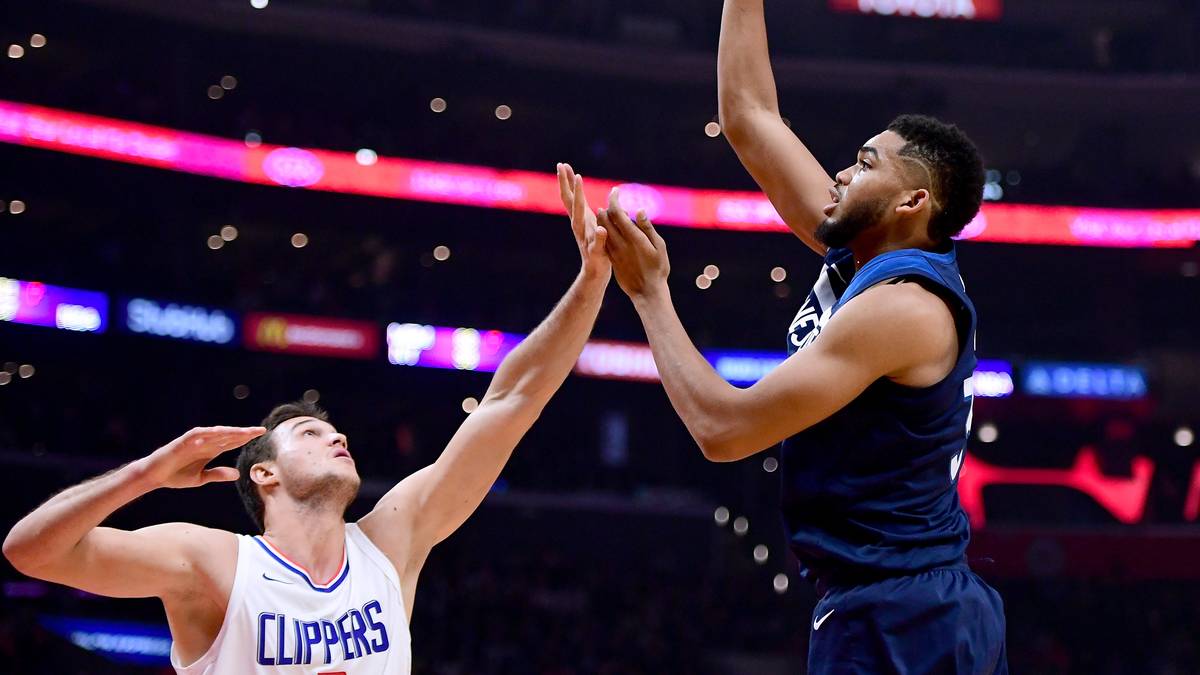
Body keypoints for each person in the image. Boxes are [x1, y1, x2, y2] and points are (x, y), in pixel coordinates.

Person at [2, 164, 610, 674]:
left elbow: (510, 402)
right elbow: (31, 552)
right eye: (309, 433)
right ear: (263, 474)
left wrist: (590, 282)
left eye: (333, 430)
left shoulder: (392, 541)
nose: (337, 436)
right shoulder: (213, 563)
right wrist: (145, 475)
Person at [592, 2, 1007, 671]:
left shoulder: (902, 307)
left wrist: (649, 293)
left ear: (911, 203)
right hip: (896, 602)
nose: (841, 173)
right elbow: (749, 115)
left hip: (905, 614)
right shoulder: (864, 256)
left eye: (865, 164)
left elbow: (723, 429)